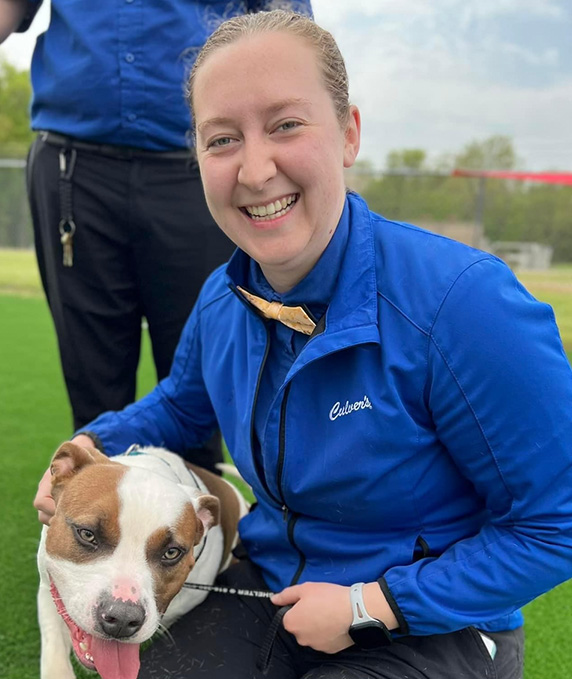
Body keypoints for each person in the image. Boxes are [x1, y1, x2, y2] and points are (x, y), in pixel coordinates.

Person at [33, 9, 572, 679]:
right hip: (272, 584)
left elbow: (557, 524)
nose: (255, 170)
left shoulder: (466, 303)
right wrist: (91, 444)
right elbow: (181, 406)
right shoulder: (222, 299)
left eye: (286, 125)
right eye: (222, 138)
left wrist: (373, 604)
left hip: (434, 622)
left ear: (348, 134)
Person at [0, 0, 312, 472]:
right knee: (94, 390)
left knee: (198, 394)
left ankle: (197, 537)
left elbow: (287, 24)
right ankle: (95, 536)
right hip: (73, 167)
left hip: (201, 168)